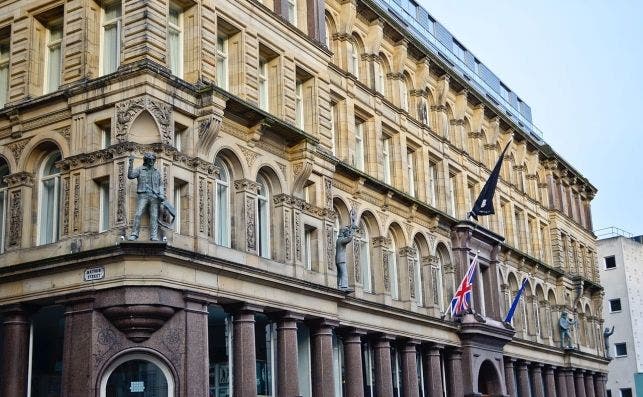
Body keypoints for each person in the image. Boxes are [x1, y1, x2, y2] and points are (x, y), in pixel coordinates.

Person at [128, 152, 165, 241]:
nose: (152, 161)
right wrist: (131, 164)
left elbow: (160, 185)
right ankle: (134, 234)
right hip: (143, 195)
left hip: (154, 196)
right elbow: (130, 176)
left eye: (153, 160)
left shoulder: (157, 172)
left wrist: (161, 194)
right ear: (146, 160)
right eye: (150, 160)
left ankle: (154, 236)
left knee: (154, 216)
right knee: (138, 214)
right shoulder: (140, 169)